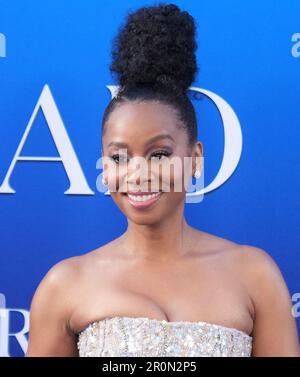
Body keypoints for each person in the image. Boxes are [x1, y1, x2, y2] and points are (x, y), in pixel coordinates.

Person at [26, 3, 300, 357]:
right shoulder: (64, 285)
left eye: (159, 154)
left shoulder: (255, 275)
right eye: (119, 157)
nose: (137, 174)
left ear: (195, 158)